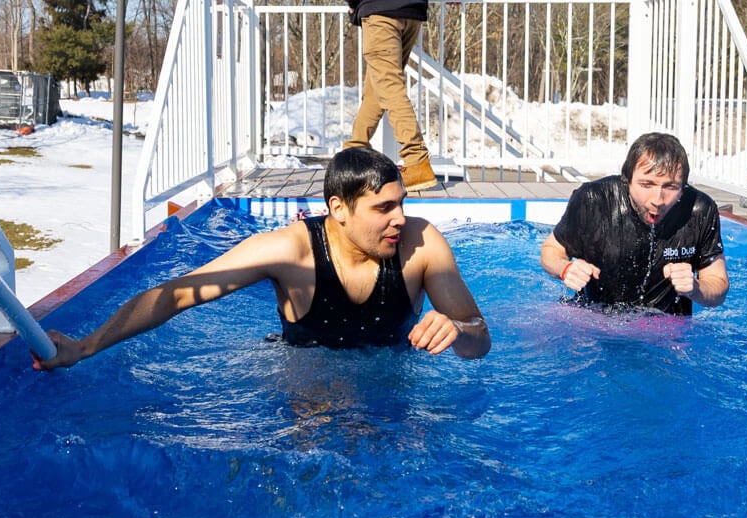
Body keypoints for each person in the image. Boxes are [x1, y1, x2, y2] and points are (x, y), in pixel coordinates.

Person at [33, 147, 490, 370]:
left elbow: (480, 338)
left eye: (403, 204)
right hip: (309, 386)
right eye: (384, 208)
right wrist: (85, 347)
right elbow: (174, 296)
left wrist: (457, 332)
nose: (400, 220)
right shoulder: (289, 251)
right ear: (338, 210)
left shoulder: (422, 245)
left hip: (389, 391)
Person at [538, 132, 729, 315]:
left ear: (683, 186)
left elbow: (717, 282)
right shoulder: (594, 200)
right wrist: (565, 269)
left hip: (664, 326)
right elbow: (551, 250)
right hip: (594, 317)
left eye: (671, 187)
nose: (658, 199)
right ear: (626, 179)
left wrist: (695, 288)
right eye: (646, 185)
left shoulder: (699, 209)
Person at [342, 0, 437, 193]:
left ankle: (416, 158)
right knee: (377, 90)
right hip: (411, 12)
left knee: (389, 88)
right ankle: (354, 152)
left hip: (381, 12)